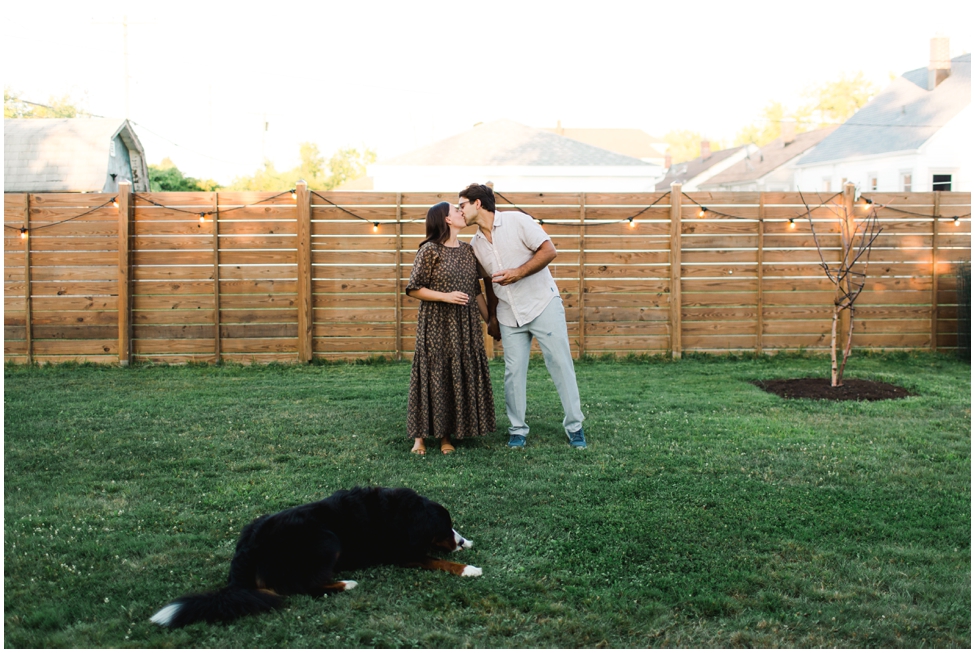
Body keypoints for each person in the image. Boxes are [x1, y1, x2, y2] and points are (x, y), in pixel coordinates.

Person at [458, 183, 586, 450]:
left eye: (462, 205)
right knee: (513, 373)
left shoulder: (517, 221)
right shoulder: (475, 244)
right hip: (508, 314)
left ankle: (575, 426)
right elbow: (488, 283)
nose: (460, 211)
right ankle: (517, 430)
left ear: (478, 204)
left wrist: (519, 272)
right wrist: (492, 318)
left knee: (561, 365)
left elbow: (549, 251)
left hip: (543, 304)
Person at [405, 201, 496, 455]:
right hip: (436, 324)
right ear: (446, 219)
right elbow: (414, 288)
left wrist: (490, 320)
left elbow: (476, 290)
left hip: (465, 327)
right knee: (432, 374)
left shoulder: (468, 251)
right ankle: (419, 438)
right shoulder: (429, 250)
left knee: (453, 375)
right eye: (456, 210)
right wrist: (446, 296)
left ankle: (447, 435)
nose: (461, 212)